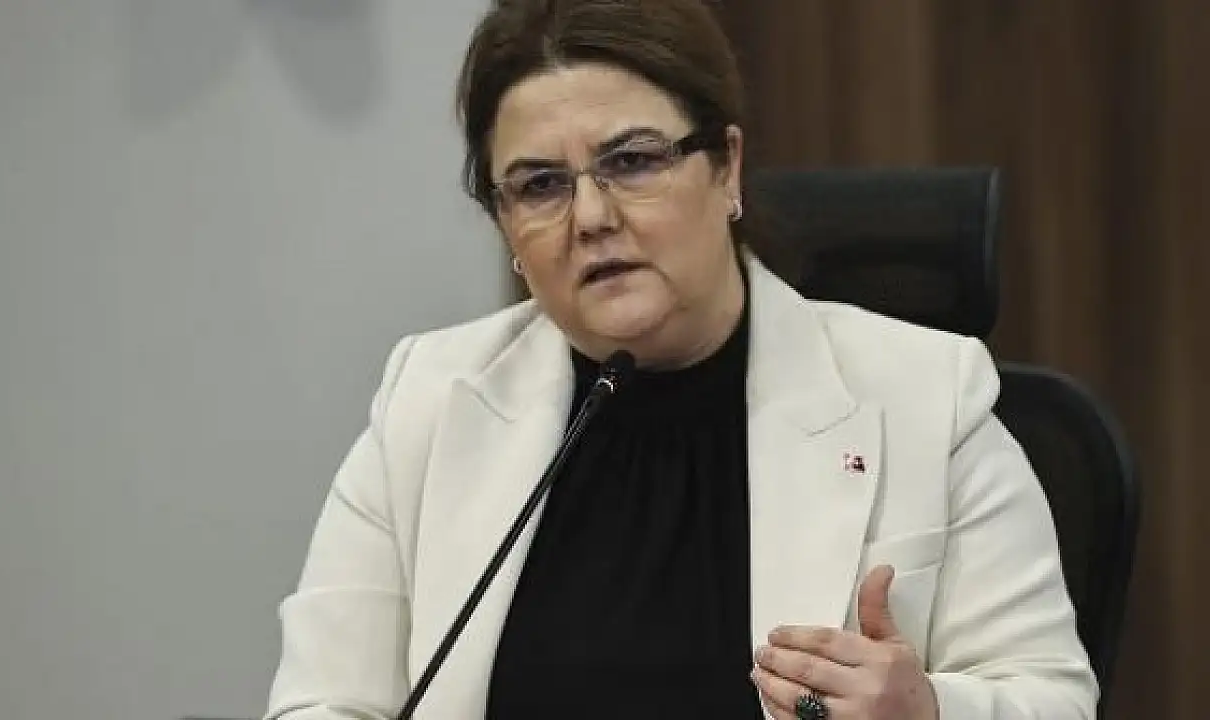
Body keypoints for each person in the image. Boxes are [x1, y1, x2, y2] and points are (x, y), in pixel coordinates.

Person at [264, 1, 1098, 718]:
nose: (591, 217)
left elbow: (1053, 697)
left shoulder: (926, 397)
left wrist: (931, 711)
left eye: (631, 162)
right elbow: (323, 702)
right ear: (504, 223)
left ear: (727, 167)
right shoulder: (428, 400)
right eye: (541, 185)